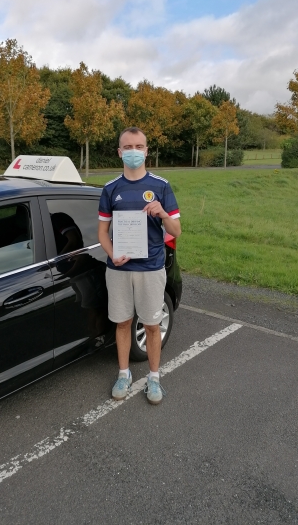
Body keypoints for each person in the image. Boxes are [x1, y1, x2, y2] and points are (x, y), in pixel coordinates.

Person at [98, 127, 181, 404]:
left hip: (151, 269)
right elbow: (101, 233)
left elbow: (177, 230)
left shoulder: (161, 186)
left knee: (152, 325)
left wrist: (162, 213)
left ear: (147, 151)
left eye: (139, 146)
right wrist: (112, 254)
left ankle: (154, 379)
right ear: (120, 152)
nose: (133, 151)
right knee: (122, 324)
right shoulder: (110, 189)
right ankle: (124, 374)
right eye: (127, 147)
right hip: (119, 270)